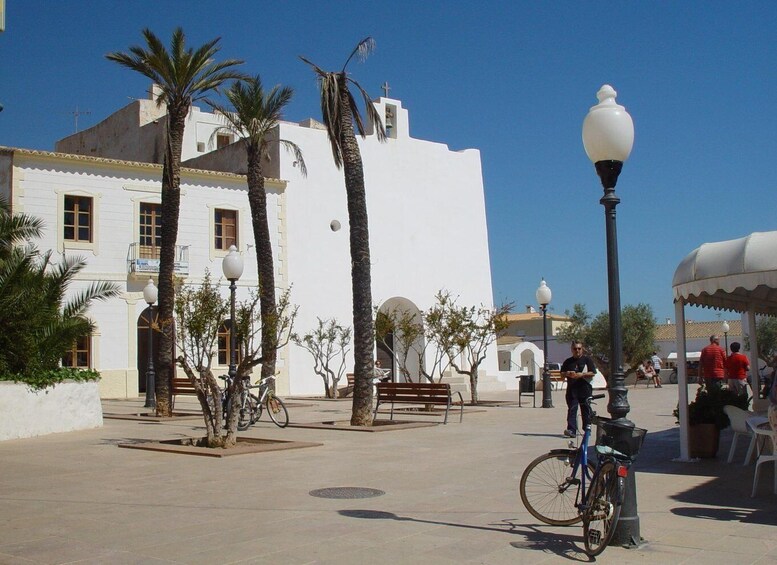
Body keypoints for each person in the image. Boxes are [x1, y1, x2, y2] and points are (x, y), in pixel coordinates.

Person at [561, 341, 597, 437]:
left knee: (585, 410)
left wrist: (582, 374)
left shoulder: (587, 360)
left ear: (582, 349)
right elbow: (562, 373)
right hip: (572, 390)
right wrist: (568, 373)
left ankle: (587, 430)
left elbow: (593, 372)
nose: (577, 350)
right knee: (572, 409)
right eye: (575, 349)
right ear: (572, 350)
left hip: (585, 389)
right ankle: (571, 430)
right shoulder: (568, 361)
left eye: (579, 348)